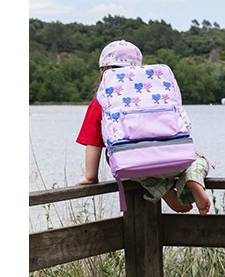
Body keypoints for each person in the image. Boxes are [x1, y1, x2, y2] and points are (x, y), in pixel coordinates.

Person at [75, 39, 212, 214]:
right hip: (176, 159)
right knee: (199, 161)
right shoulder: (157, 94)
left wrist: (90, 177)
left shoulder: (102, 102)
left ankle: (164, 191)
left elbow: (93, 143)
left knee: (132, 167)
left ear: (104, 70)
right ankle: (193, 180)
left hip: (136, 164)